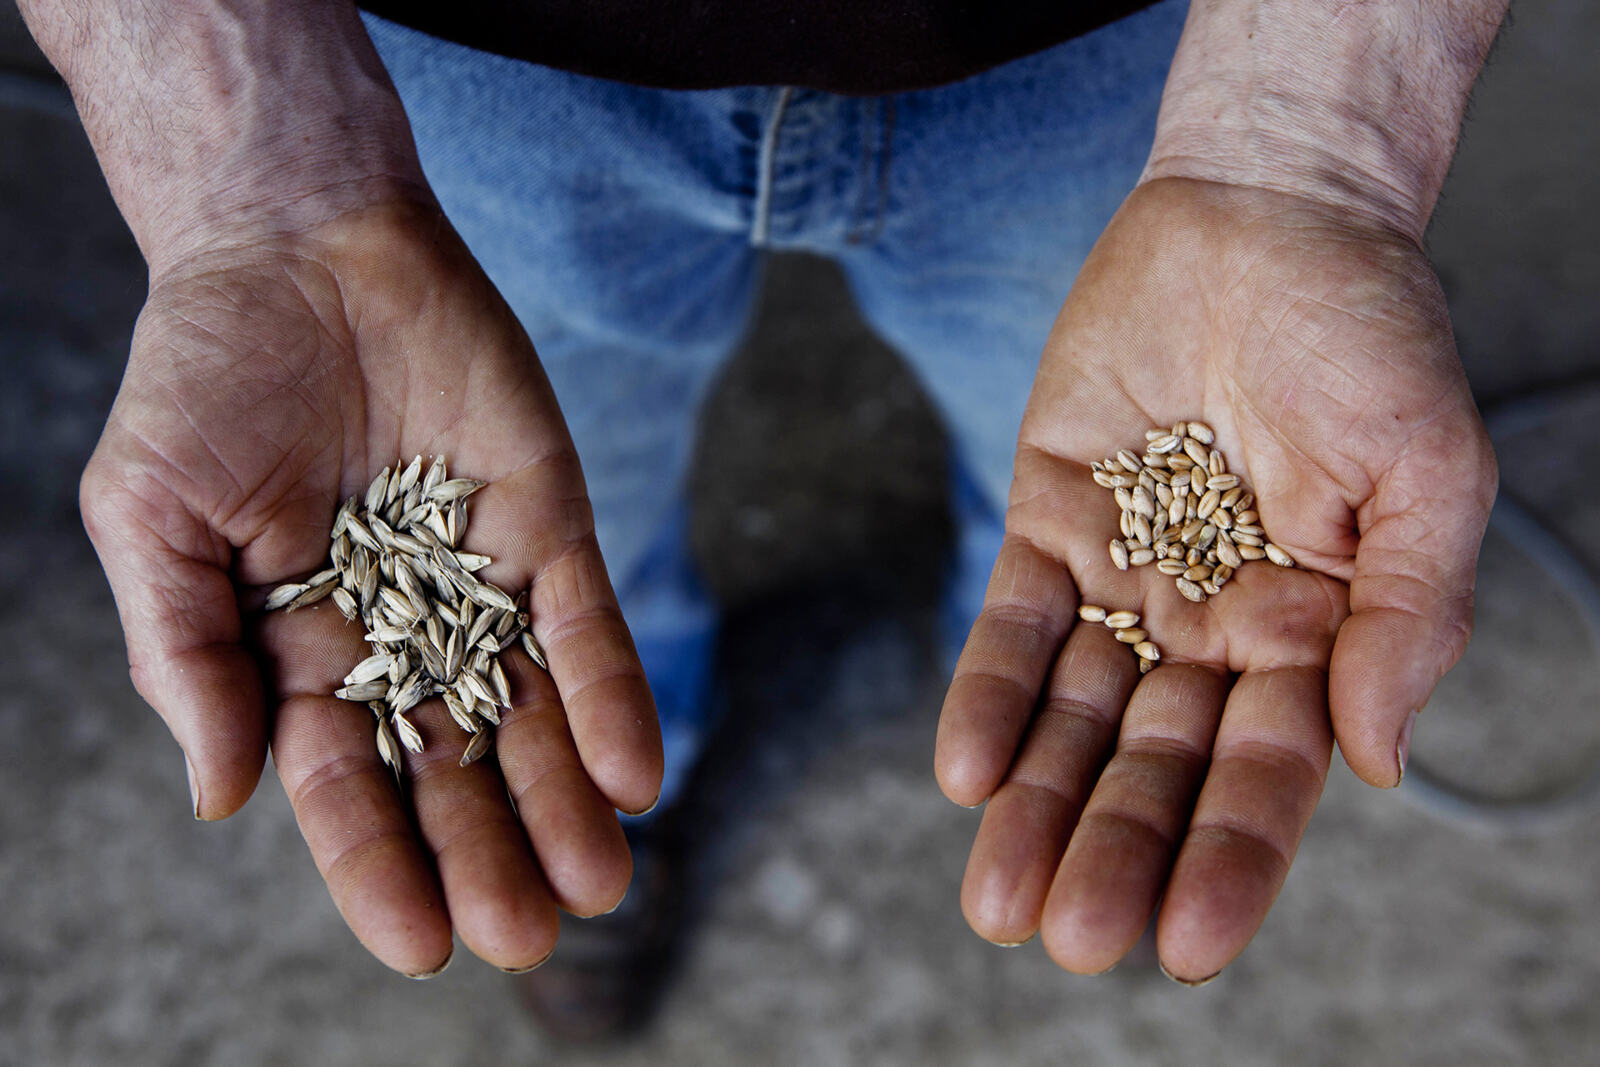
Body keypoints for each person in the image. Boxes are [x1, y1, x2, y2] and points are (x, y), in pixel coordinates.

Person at [19, 0, 1504, 1038]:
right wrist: (252, 166)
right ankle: (628, 776)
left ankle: (1031, 740)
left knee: (1063, 475)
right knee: (542, 503)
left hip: (1135, 53)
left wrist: (1314, 134)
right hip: (455, 66)